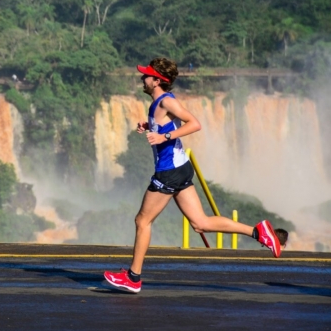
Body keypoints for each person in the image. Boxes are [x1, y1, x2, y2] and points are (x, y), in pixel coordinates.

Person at [103, 57, 288, 294]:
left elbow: (195, 123)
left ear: (157, 80)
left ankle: (133, 277)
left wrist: (163, 137)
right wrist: (151, 127)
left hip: (169, 171)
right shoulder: (158, 103)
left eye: (146, 75)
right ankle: (258, 232)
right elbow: (168, 124)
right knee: (200, 223)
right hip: (180, 167)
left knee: (142, 221)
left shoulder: (166, 101)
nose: (143, 78)